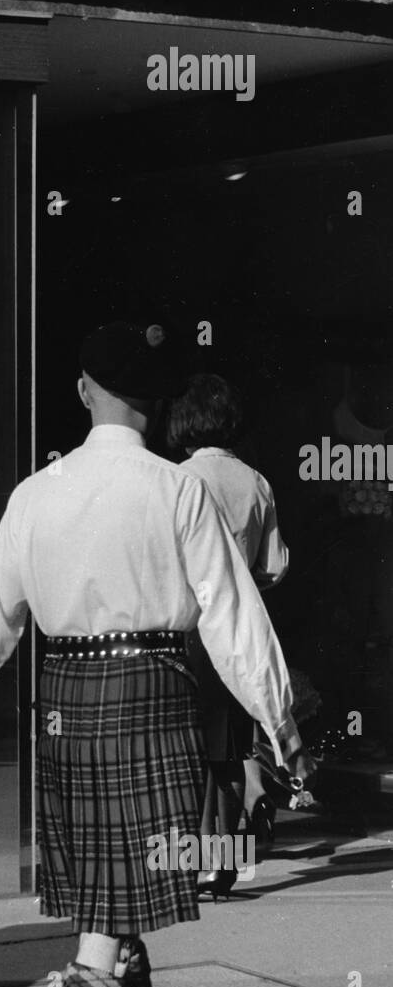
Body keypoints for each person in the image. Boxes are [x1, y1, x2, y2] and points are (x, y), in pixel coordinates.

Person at [0, 320, 314, 987]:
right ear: (158, 402)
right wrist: (281, 726)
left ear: (87, 391)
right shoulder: (177, 493)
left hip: (64, 704)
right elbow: (234, 619)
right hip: (154, 699)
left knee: (111, 895)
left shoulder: (34, 495)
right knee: (111, 908)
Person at [168, 373, 290, 896]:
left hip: (186, 631)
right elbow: (276, 565)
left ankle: (194, 860)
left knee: (188, 750)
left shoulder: (175, 479)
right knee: (229, 749)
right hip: (235, 627)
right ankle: (223, 862)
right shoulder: (256, 483)